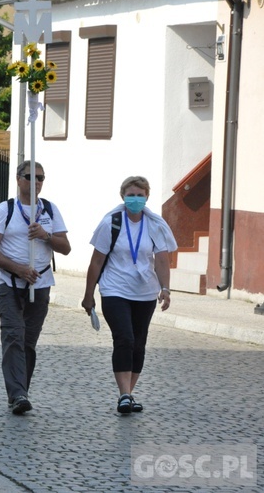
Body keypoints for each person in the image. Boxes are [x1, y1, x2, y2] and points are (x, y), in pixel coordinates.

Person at [0, 161, 71, 415]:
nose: (37, 182)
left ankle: (21, 390)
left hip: (41, 283)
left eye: (41, 177)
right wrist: (18, 269)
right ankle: (18, 393)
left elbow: (65, 248)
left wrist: (45, 236)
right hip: (9, 282)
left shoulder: (50, 210)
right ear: (19, 179)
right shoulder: (5, 209)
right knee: (13, 335)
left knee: (28, 341)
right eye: (31, 177)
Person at [81, 176, 176, 414]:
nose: (135, 199)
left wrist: (165, 289)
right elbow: (97, 261)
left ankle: (128, 395)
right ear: (123, 197)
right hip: (115, 289)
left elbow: (162, 260)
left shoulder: (155, 225)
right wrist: (88, 294)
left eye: (140, 194)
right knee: (125, 338)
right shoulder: (111, 223)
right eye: (131, 195)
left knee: (139, 343)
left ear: (147, 197)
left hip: (145, 292)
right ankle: (123, 394)